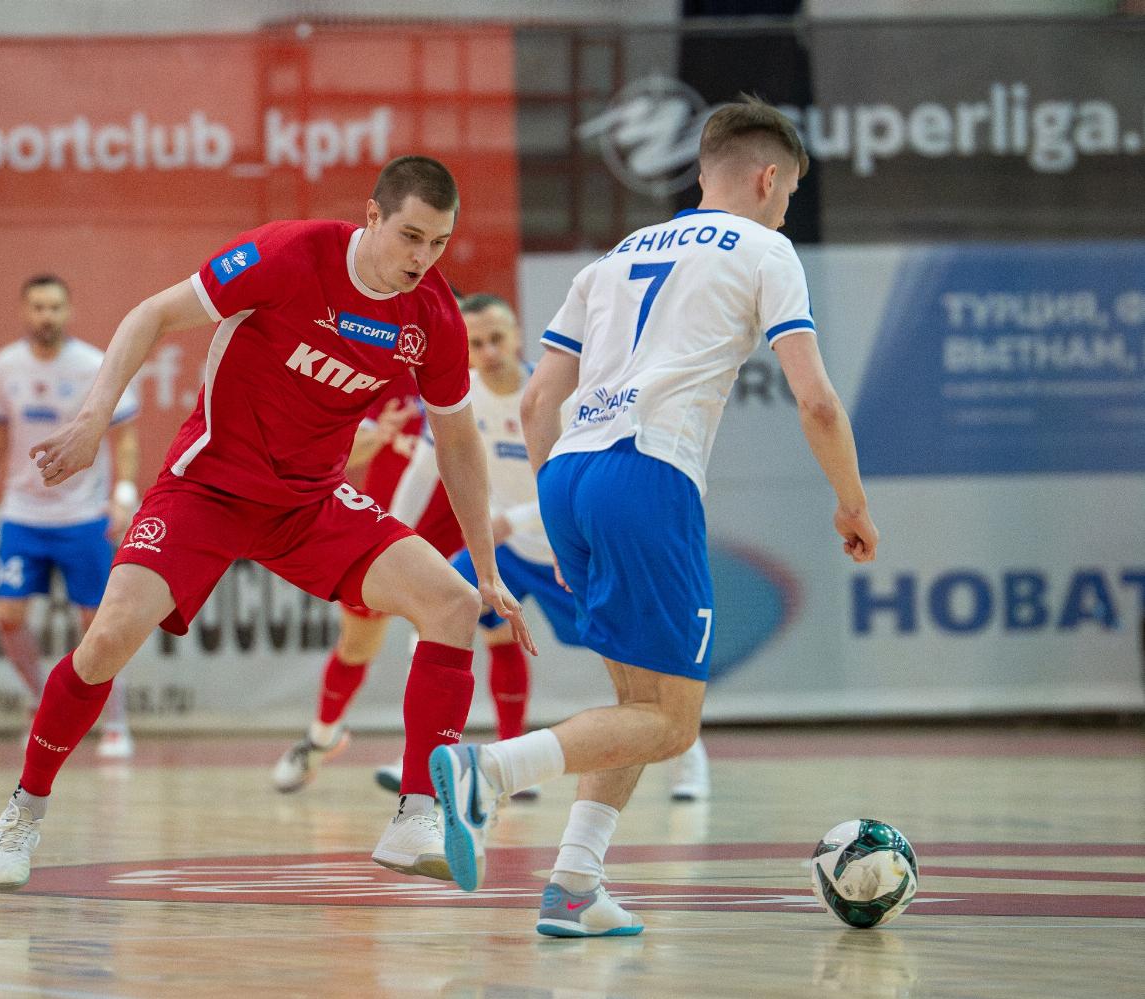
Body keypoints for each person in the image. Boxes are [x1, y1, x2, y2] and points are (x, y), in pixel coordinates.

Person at [0, 155, 534, 890]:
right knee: (107, 639)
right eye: (410, 236)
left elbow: (458, 441)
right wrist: (91, 420)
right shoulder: (289, 253)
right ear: (372, 216)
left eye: (438, 243)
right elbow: (151, 314)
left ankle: (416, 815)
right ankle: (26, 806)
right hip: (207, 488)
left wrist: (486, 568)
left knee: (454, 603)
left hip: (309, 502)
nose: (422, 258)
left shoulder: (431, 315)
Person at [429, 97, 879, 937]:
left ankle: (573, 885)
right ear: (768, 179)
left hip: (568, 476)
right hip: (648, 473)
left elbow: (537, 401)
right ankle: (486, 770)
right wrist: (851, 501)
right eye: (787, 195)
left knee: (635, 700)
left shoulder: (614, 257)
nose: (785, 210)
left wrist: (560, 522)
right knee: (671, 723)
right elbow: (816, 400)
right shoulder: (766, 250)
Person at [370, 294, 714, 802]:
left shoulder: (558, 398)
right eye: (476, 343)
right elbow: (423, 474)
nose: (489, 352)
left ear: (517, 337)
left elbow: (574, 485)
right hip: (502, 555)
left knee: (635, 665)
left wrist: (514, 520)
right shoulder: (458, 398)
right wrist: (391, 534)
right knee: (436, 609)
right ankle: (423, 757)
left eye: (497, 339)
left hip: (565, 550)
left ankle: (688, 757)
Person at [0, 275, 141, 759]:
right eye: (38, 306)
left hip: (83, 515)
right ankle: (42, 702)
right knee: (7, 615)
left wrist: (123, 494)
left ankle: (115, 721)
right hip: (23, 515)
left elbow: (125, 436)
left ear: (68, 311)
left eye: (55, 306)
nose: (47, 316)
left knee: (97, 624)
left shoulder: (93, 365)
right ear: (25, 311)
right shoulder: (6, 365)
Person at [268, 382, 465, 793]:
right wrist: (378, 436)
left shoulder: (475, 388)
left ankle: (425, 758)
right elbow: (342, 455)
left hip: (450, 534)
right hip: (383, 531)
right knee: (356, 648)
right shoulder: (390, 379)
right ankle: (322, 737)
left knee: (438, 640)